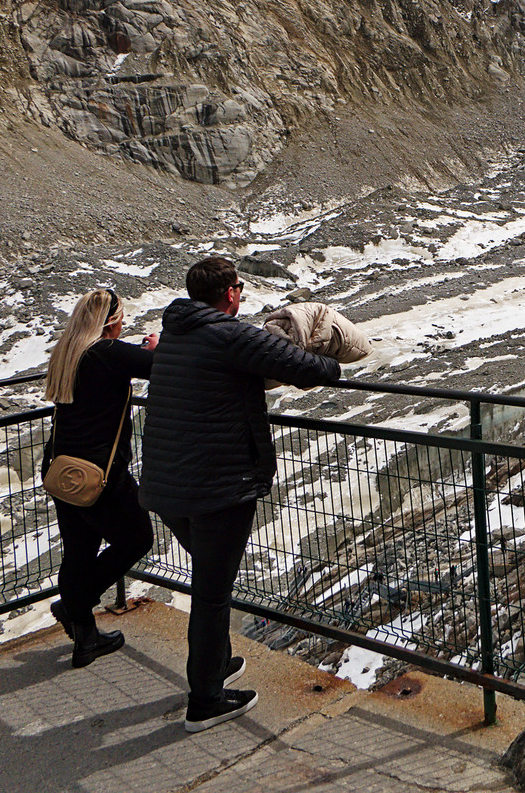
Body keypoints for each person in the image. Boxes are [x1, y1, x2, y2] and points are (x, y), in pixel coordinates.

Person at [141, 256, 342, 732]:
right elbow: (315, 370)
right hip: (218, 487)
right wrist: (327, 345)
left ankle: (215, 664)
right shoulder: (231, 335)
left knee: (211, 578)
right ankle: (205, 700)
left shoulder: (175, 333)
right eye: (240, 287)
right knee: (211, 593)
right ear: (230, 292)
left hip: (167, 486)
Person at [42, 288, 157, 668]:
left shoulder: (68, 351)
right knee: (138, 537)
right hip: (100, 475)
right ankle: (74, 604)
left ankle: (86, 639)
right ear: (113, 321)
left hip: (63, 469)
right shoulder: (108, 352)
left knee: (79, 550)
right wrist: (159, 344)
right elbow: (163, 365)